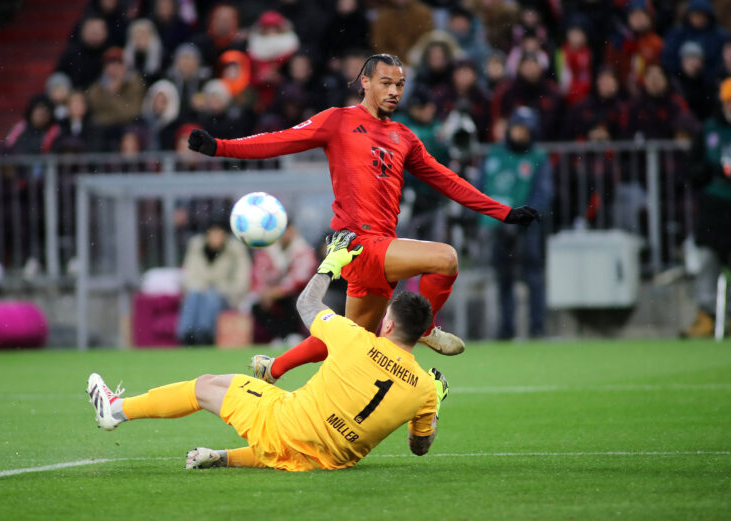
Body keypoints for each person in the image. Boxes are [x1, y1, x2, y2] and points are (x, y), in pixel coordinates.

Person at [186, 54, 539, 383]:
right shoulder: (338, 121)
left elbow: (447, 180)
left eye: (399, 84)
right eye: (385, 83)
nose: (394, 91)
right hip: (356, 243)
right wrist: (219, 146)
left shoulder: (404, 137)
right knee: (445, 258)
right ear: (364, 82)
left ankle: (273, 368)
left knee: (351, 342)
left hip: (382, 246)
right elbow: (280, 140)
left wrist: (503, 212)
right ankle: (425, 326)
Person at [86, 231, 449, 472]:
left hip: (286, 426)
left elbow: (307, 305)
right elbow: (419, 448)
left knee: (207, 386)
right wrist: (434, 404)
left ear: (386, 324)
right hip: (327, 461)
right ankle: (223, 458)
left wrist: (332, 264)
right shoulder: (423, 389)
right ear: (419, 336)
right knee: (297, 442)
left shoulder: (355, 337)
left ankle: (115, 410)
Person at [479, 108, 552, 339]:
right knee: (504, 278)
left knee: (533, 276)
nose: (520, 134)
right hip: (497, 227)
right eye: (517, 128)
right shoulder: (494, 155)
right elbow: (478, 188)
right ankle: (506, 329)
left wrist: (522, 218)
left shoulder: (538, 158)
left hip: (527, 229)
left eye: (525, 129)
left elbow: (543, 195)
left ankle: (537, 328)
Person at [682, 79, 731, 337]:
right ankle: (707, 314)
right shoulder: (708, 130)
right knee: (708, 260)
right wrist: (712, 172)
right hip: (714, 205)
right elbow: (691, 169)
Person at [177, 222, 251, 345]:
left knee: (211, 296)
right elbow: (188, 276)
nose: (215, 237)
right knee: (194, 295)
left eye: (219, 233)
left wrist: (220, 290)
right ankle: (186, 335)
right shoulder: (196, 248)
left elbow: (242, 281)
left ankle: (205, 334)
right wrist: (201, 288)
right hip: (200, 293)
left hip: (227, 296)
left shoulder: (235, 250)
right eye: (212, 233)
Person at [249, 222, 318, 344]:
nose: (282, 235)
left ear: (292, 231)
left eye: (285, 231)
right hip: (274, 294)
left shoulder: (303, 250)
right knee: (256, 305)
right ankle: (280, 336)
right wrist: (265, 292)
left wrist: (278, 291)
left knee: (292, 301)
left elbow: (300, 279)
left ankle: (294, 335)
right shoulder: (267, 251)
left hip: (297, 295)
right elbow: (259, 274)